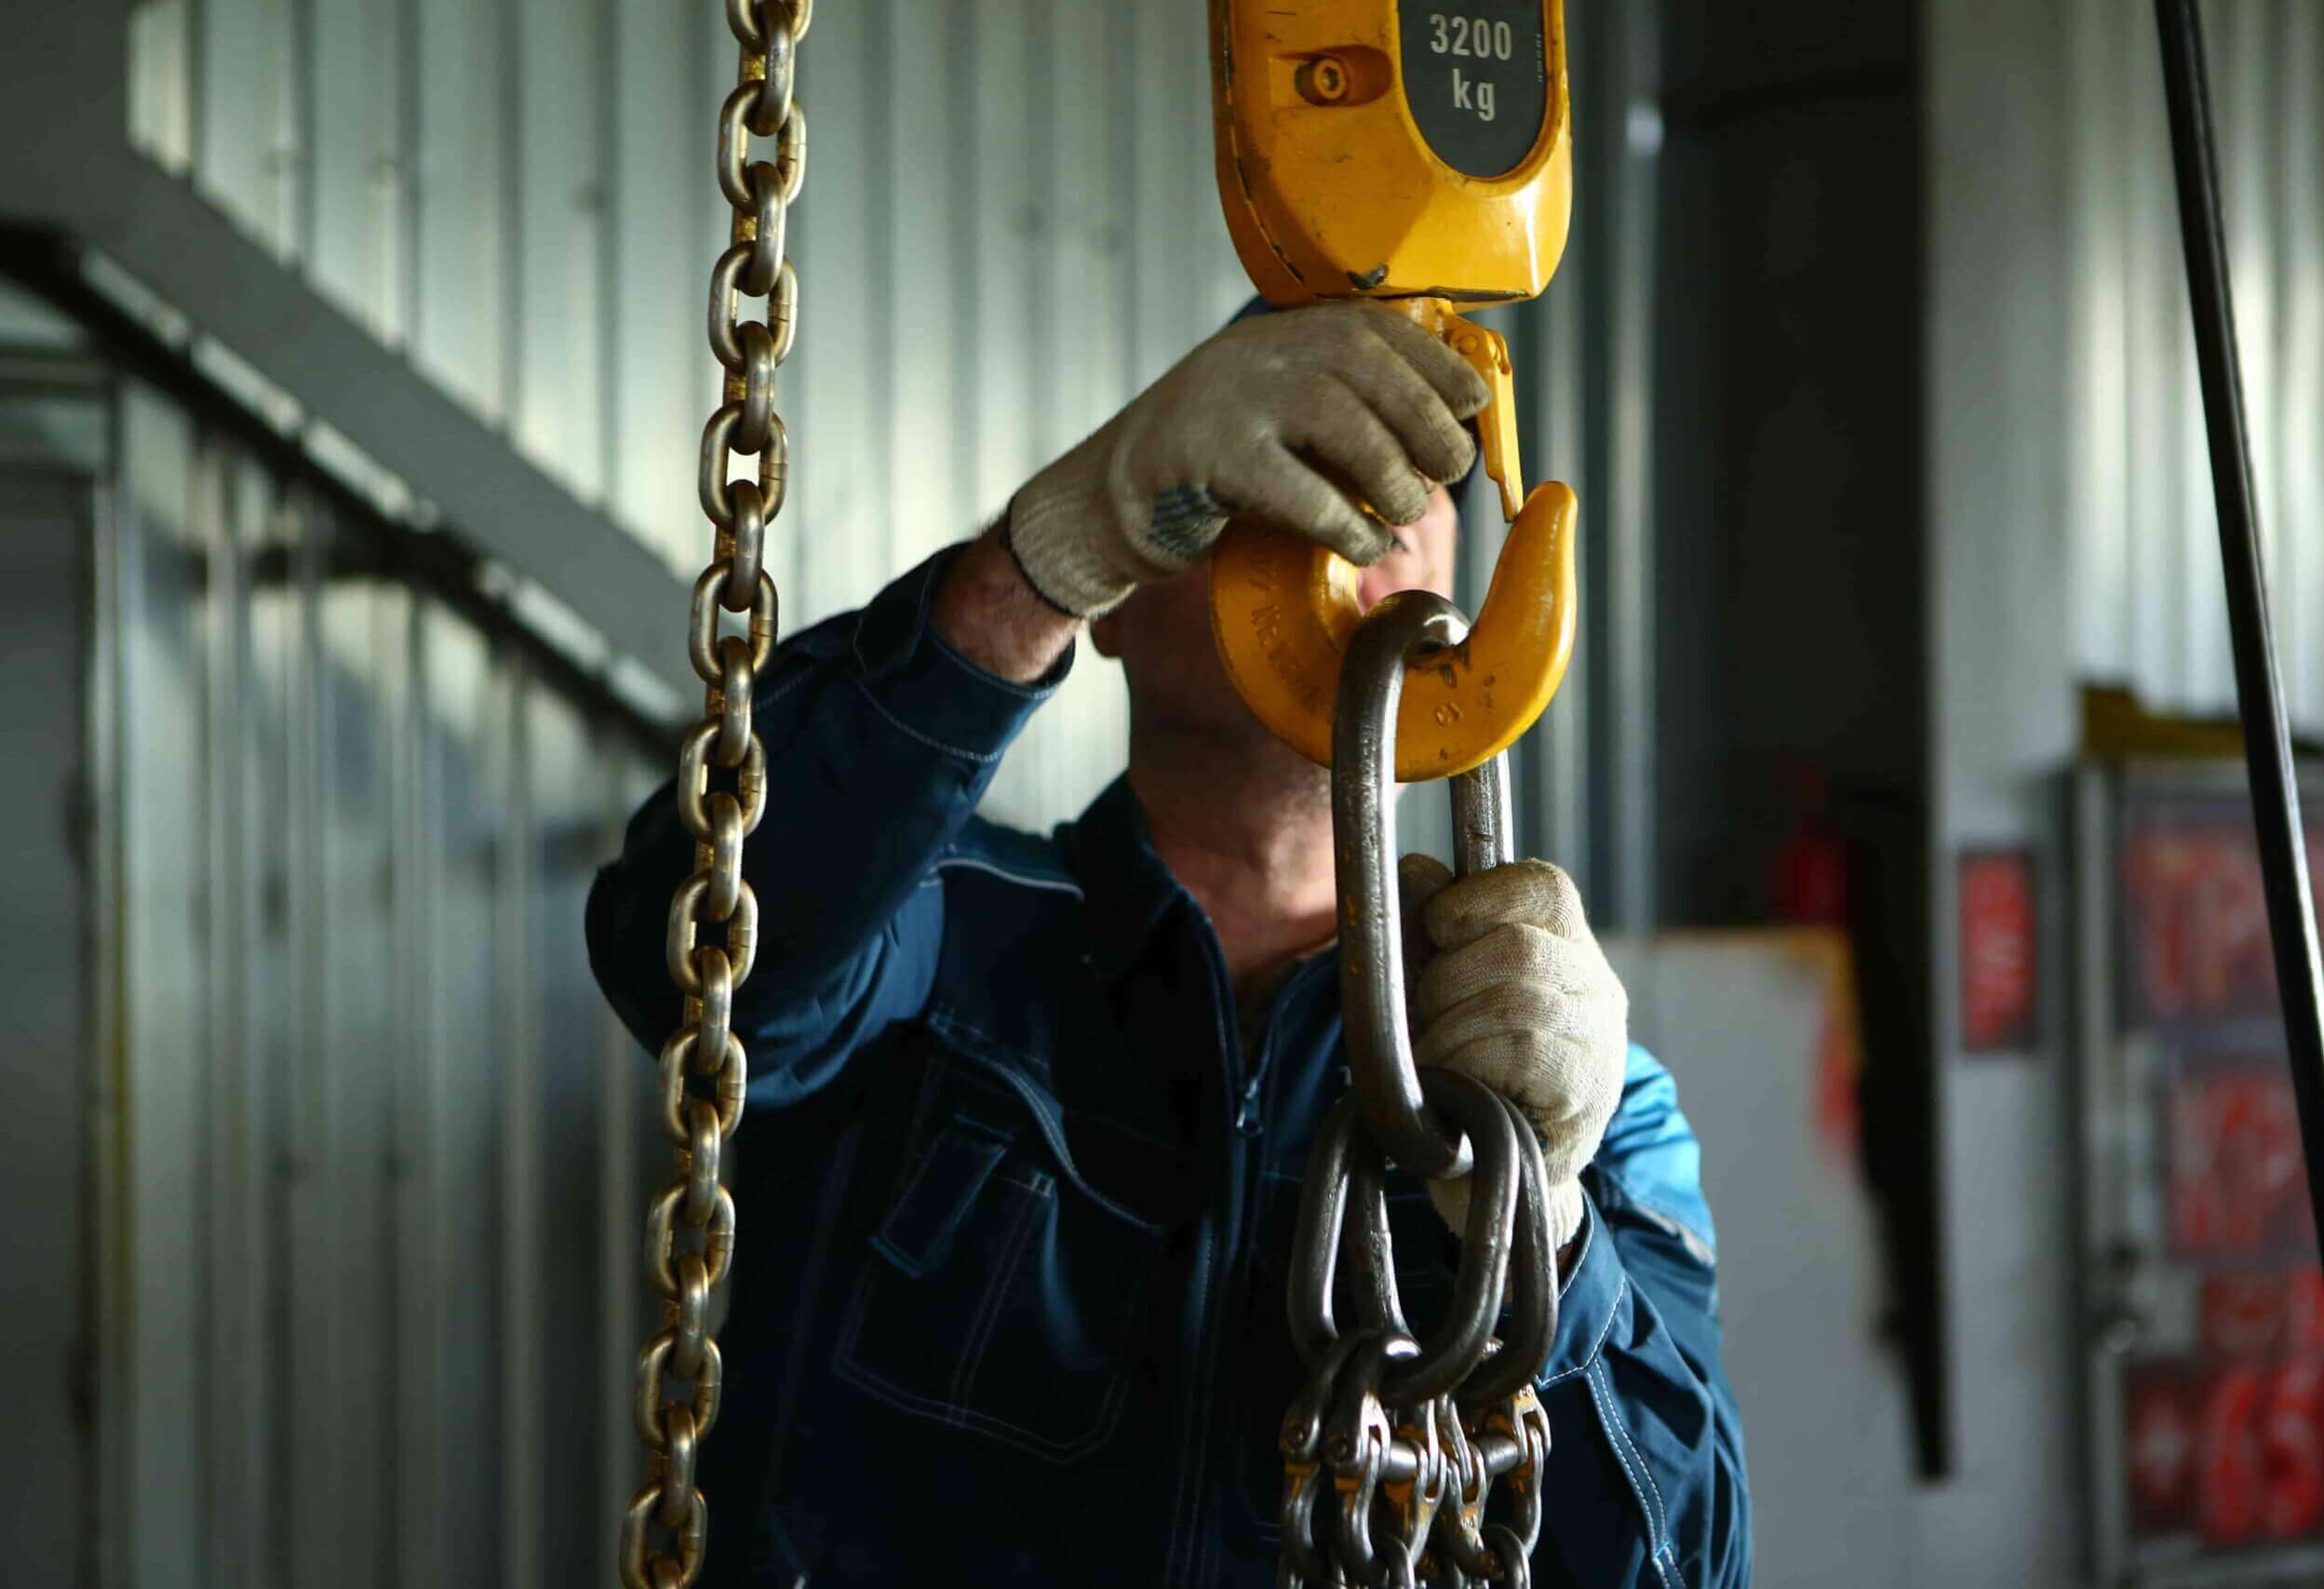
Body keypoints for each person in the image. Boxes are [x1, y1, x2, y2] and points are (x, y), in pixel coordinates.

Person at [587, 300, 1749, 1586]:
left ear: (1448, 611)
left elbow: (1683, 1561)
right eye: (1273, 470)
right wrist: (1040, 556)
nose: (1344, 512)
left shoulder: (1587, 1103)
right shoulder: (932, 942)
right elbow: (679, 947)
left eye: (1402, 479)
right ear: (1120, 600)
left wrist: (1543, 1234)